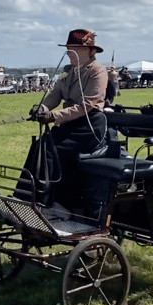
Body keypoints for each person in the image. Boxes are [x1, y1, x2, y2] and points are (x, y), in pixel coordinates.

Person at [29, 29, 108, 213]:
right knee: (39, 145)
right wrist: (42, 108)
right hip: (70, 124)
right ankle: (28, 195)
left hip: (89, 126)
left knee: (48, 147)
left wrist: (53, 116)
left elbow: (86, 106)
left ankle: (45, 199)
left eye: (74, 49)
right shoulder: (69, 73)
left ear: (90, 51)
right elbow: (55, 95)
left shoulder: (98, 72)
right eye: (68, 49)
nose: (69, 53)